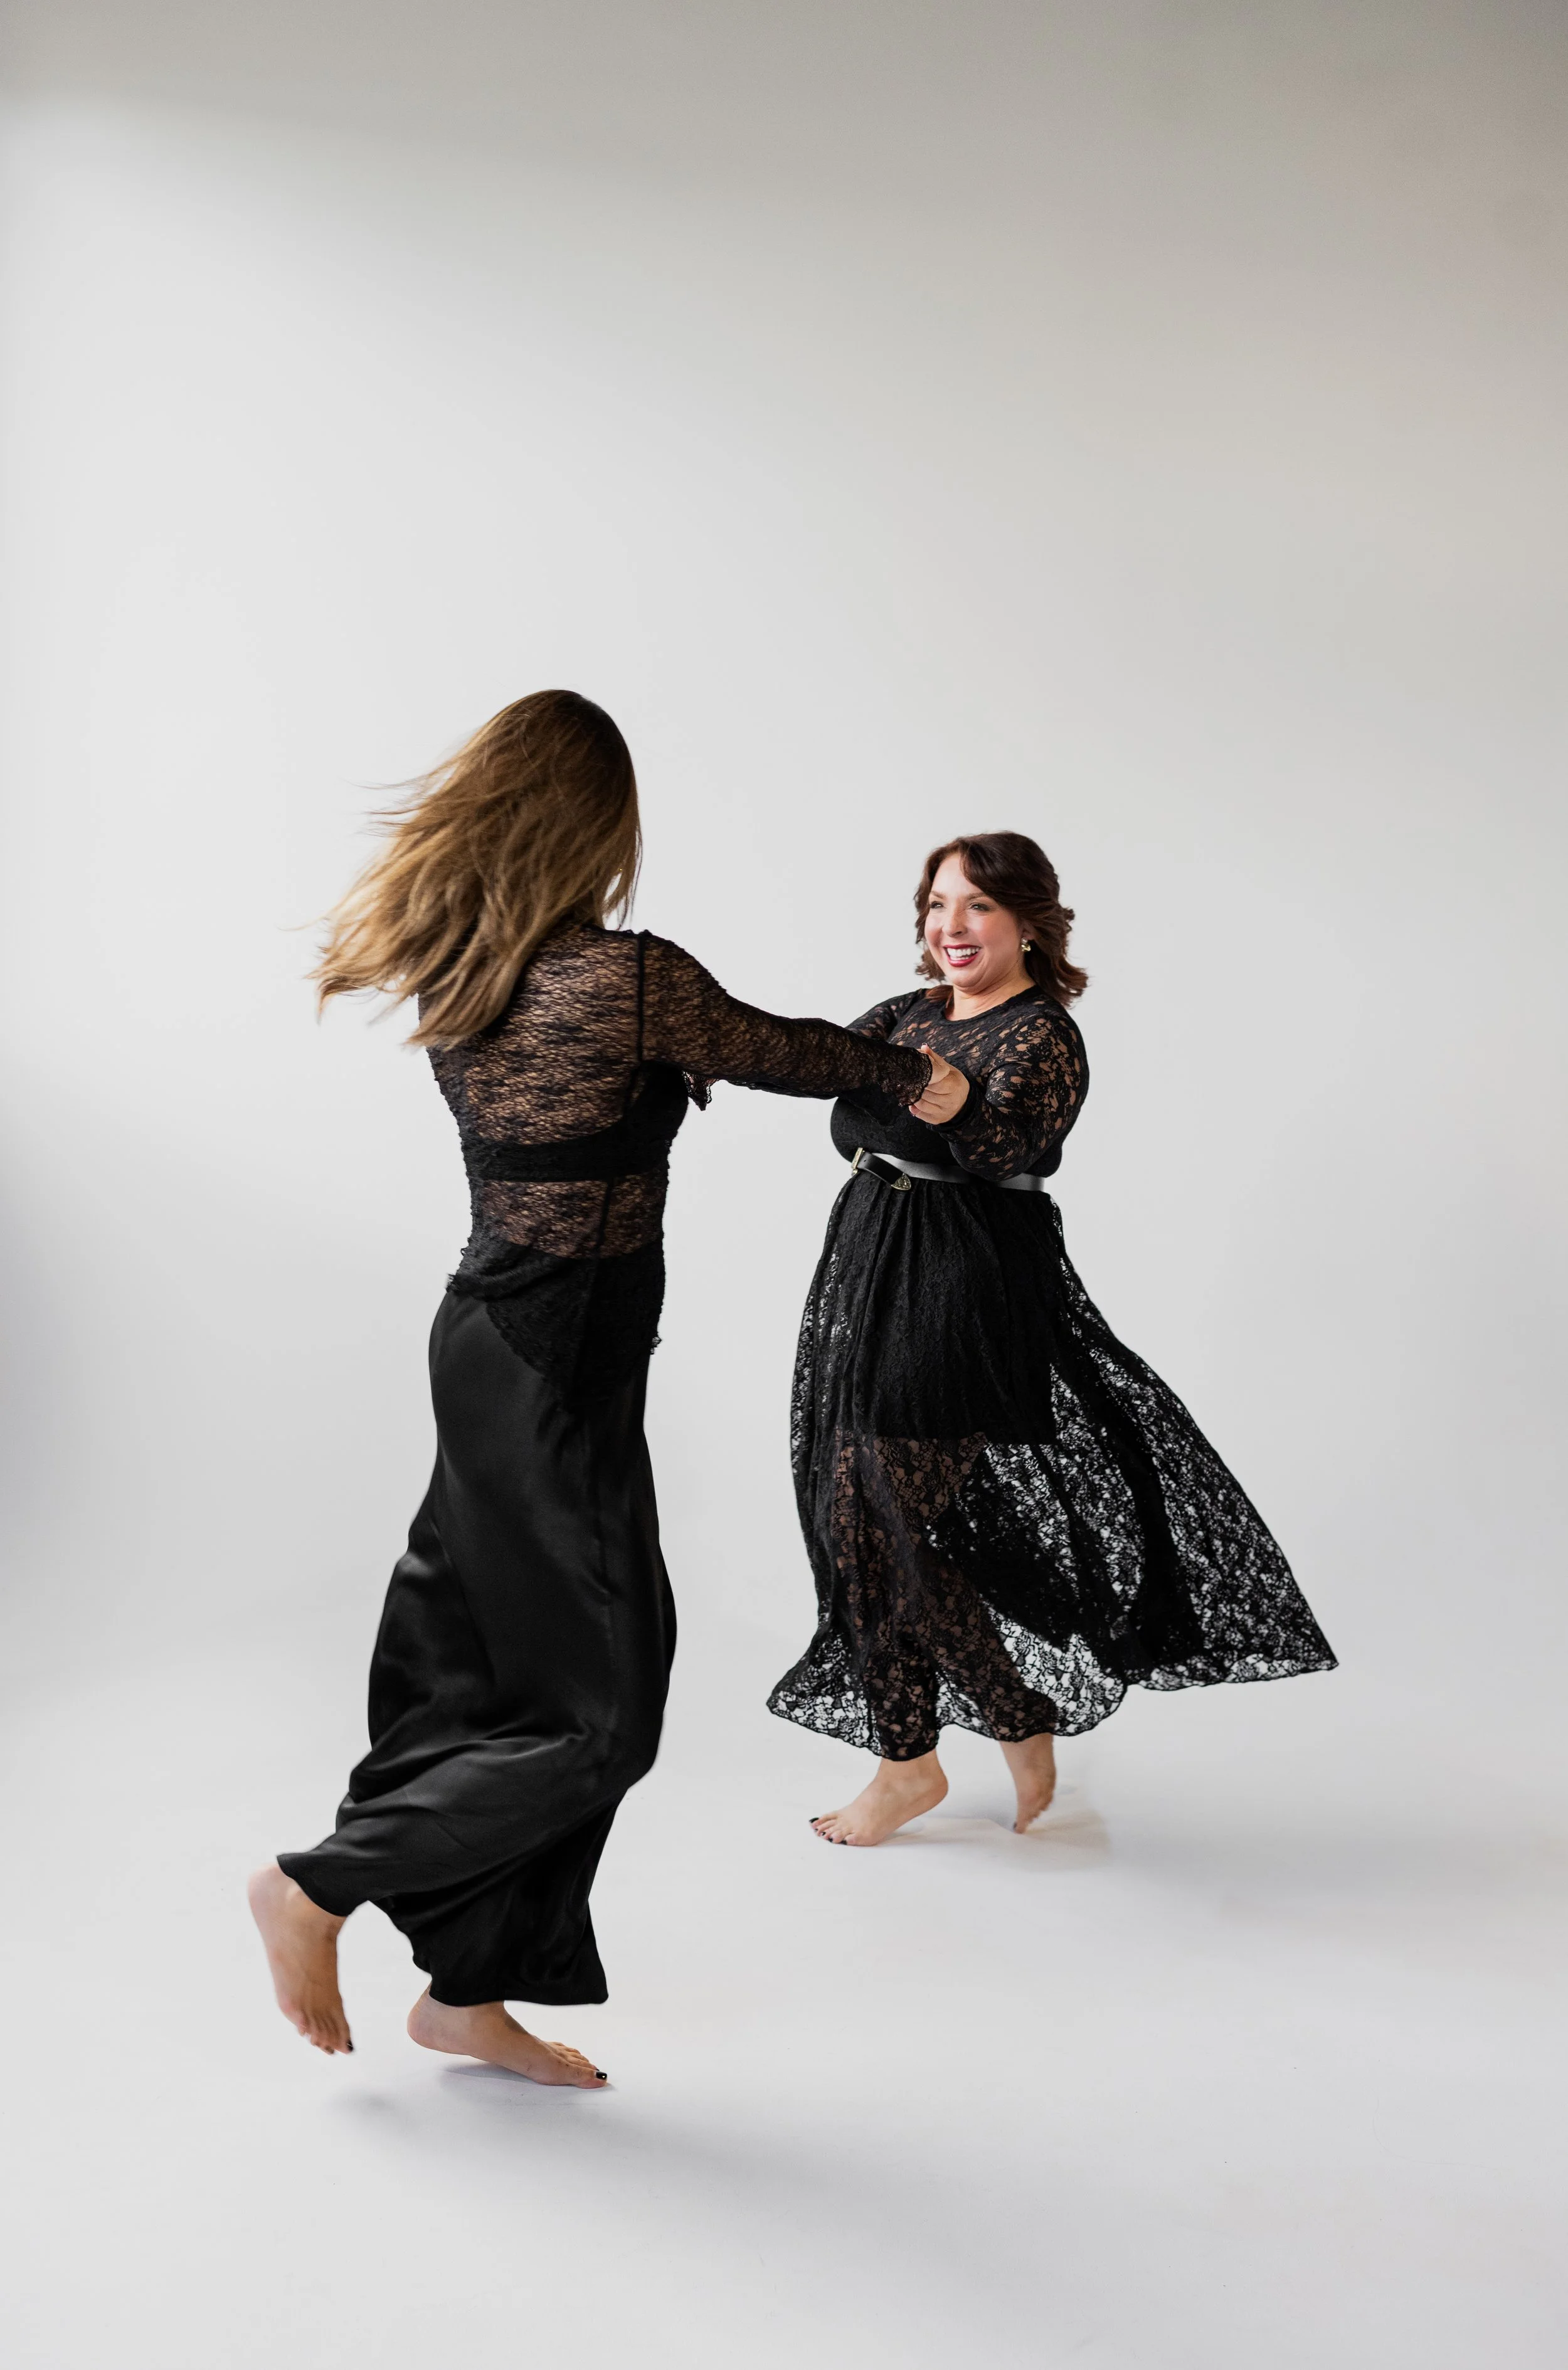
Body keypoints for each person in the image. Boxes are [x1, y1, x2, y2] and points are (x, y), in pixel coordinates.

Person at [247, 690, 966, 2081]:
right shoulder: (617, 976)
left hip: (499, 1346)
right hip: (552, 1365)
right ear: (592, 821)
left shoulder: (469, 961)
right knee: (601, 1709)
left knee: (482, 1679)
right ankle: (317, 1882)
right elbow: (782, 1050)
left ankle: (464, 1994)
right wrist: (914, 1076)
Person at [769, 830, 1336, 1846]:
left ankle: (916, 1760)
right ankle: (997, 1721)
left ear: (1031, 921)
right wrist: (681, 1045)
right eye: (940, 904)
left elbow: (1016, 1145)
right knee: (860, 1519)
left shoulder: (1042, 1034)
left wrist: (951, 1101)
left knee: (878, 1511)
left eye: (978, 906)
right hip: (873, 1266)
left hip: (969, 1284)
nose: (952, 925)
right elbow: (826, 1065)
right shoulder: (910, 1013)